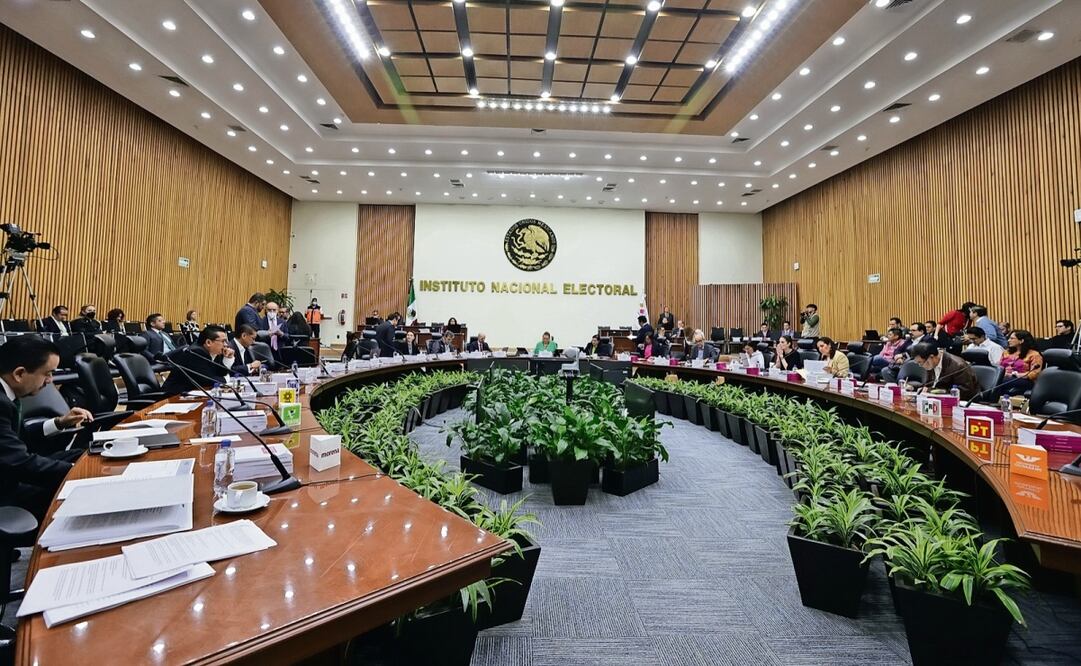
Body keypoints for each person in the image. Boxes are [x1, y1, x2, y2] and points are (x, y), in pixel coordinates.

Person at [0, 336, 94, 521]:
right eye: (48, 373)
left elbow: (16, 438)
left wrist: (59, 422)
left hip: (12, 470)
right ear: (19, 374)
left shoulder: (7, 393)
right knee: (82, 491)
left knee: (83, 454)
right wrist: (78, 473)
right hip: (6, 489)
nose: (51, 380)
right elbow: (18, 463)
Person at [160, 325, 235, 396]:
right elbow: (208, 381)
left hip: (192, 393)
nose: (226, 345)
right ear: (208, 342)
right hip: (174, 396)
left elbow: (220, 373)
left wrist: (228, 358)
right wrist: (226, 378)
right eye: (223, 341)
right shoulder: (195, 353)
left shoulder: (215, 352)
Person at [909, 341, 980, 400]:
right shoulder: (931, 363)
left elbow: (964, 392)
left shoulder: (958, 365)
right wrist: (916, 387)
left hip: (961, 403)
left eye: (920, 362)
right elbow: (929, 384)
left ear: (931, 357)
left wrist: (933, 391)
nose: (920, 366)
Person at [994, 330, 1044, 397]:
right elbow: (1000, 367)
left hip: (1024, 380)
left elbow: (1034, 373)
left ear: (1021, 341)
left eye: (1012, 338)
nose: (1008, 340)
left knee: (999, 381)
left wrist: (1014, 375)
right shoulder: (1006, 352)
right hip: (1005, 378)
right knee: (994, 379)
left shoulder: (1034, 355)